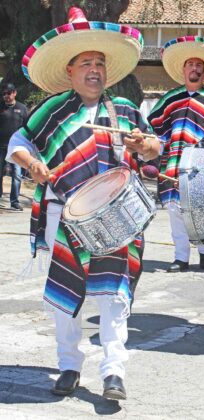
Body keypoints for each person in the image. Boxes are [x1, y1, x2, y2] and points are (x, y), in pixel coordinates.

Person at [6, 7, 160, 400]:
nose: (95, 69)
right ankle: (69, 366)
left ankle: (113, 372)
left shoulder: (124, 110)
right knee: (64, 300)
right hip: (65, 216)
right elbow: (17, 144)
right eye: (86, 63)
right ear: (70, 71)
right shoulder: (51, 111)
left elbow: (155, 148)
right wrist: (33, 164)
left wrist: (145, 146)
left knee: (113, 297)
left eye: (100, 63)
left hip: (116, 220)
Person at [148, 36, 204, 273]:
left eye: (199, 65)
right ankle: (181, 257)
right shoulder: (170, 99)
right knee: (176, 211)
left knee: (200, 210)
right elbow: (154, 128)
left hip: (200, 165)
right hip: (173, 162)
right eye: (190, 64)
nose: (194, 68)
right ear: (183, 69)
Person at [0, 82, 28, 210]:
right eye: (4, 93)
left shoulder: (22, 108)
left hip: (16, 148)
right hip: (1, 146)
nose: (6, 96)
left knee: (17, 175)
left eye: (9, 93)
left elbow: (27, 127)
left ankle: (15, 202)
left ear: (14, 93)